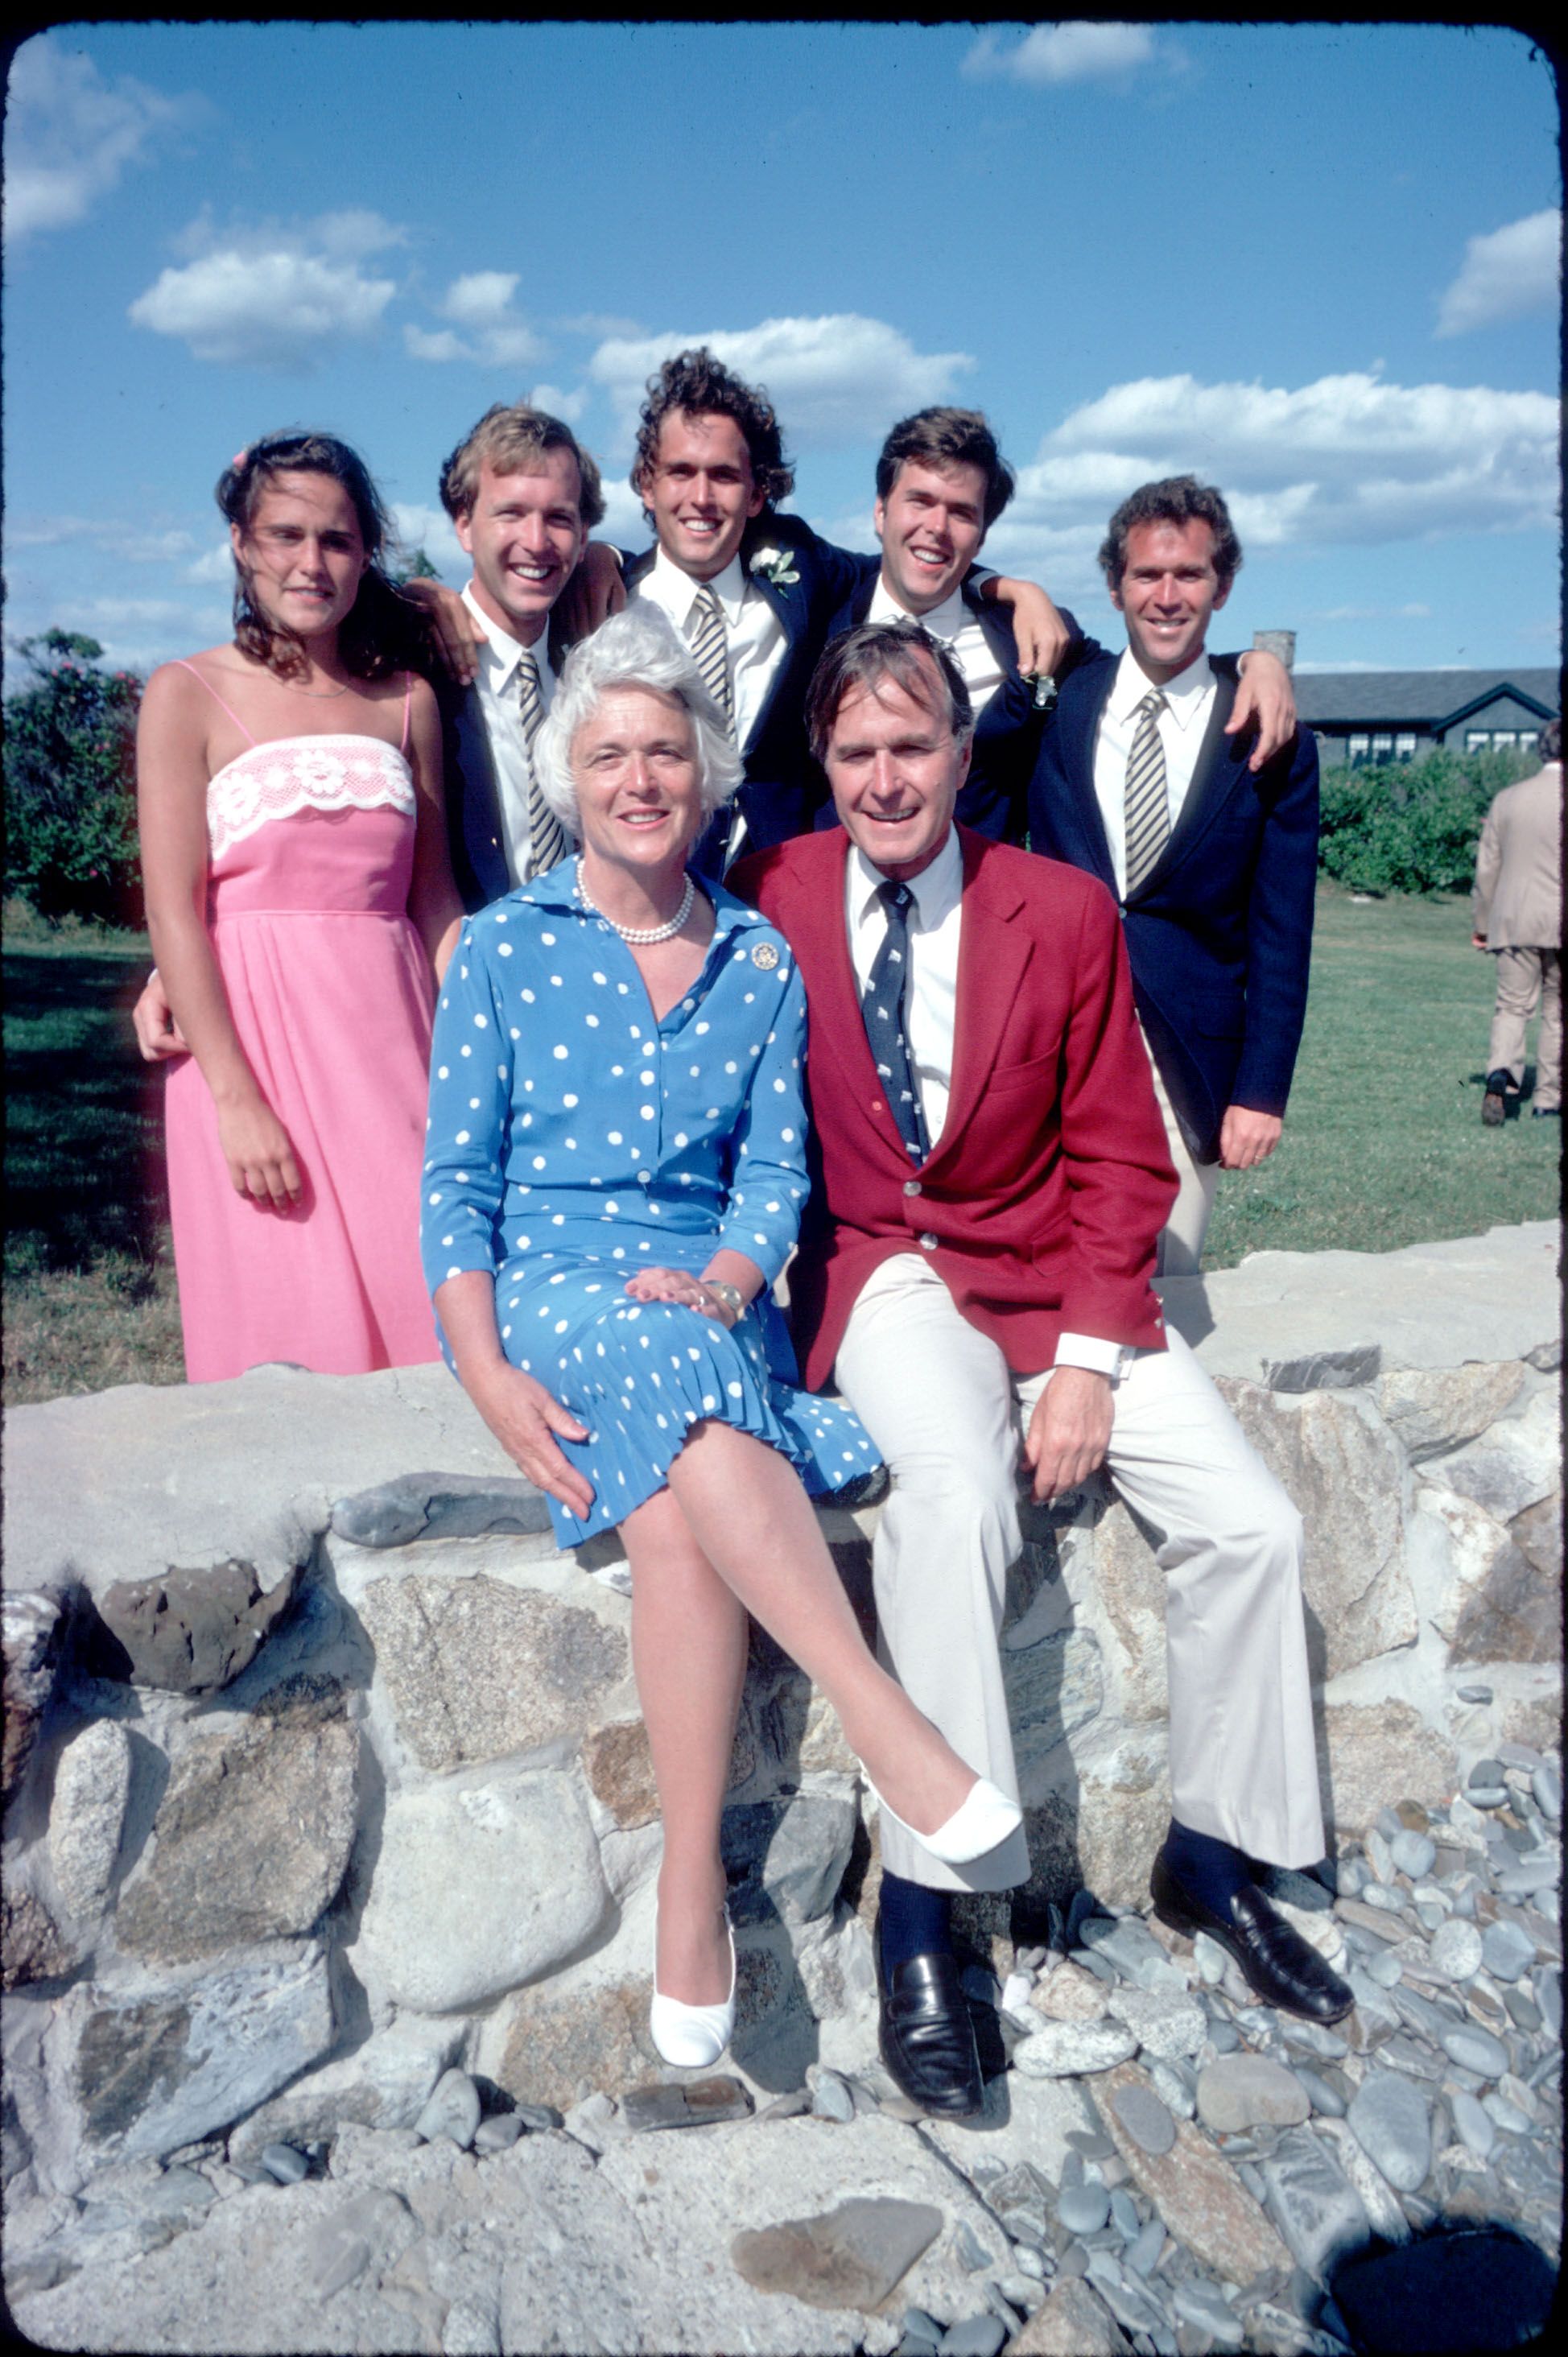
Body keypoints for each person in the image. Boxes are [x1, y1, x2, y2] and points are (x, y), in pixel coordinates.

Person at [734, 622, 1350, 2121]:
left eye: (913, 746)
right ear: (826, 763)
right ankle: (924, 1910)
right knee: (948, 1495)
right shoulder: (776, 891)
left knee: (1251, 1525)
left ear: (960, 752)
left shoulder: (1060, 908)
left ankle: (1211, 1849)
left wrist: (1083, 1361)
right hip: (887, 1266)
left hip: (1055, 1266)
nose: (886, 779)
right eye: (857, 751)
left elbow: (1122, 1151)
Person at [420, 606, 1021, 2070]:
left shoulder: (756, 956)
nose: (640, 778)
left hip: (707, 1299)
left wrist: (741, 1270)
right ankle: (887, 1723)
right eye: (610, 752)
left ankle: (689, 1885)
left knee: (682, 1514)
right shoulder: (501, 947)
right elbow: (455, 1189)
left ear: (705, 776)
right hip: (558, 1290)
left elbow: (774, 1174)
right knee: (679, 1376)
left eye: (666, 753)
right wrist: (487, 1370)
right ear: (572, 774)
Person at [136, 430, 464, 1381]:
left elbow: (434, 899)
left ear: (366, 554)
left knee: (429, 1301)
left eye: (336, 540)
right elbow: (175, 912)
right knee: (291, 1326)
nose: (309, 563)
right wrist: (237, 1101)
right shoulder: (186, 694)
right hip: (251, 1051)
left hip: (391, 1040)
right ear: (241, 543)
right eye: (284, 535)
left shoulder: (406, 701)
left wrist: (472, 1057)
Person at [1027, 477, 1319, 1274]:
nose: (1166, 596)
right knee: (1042, 1273)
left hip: (1184, 1057)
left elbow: (1281, 933)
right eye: (1146, 575)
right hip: (1053, 1043)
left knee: (1169, 1287)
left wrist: (1261, 1091)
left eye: (1188, 574)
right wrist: (1007, 583)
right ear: (1115, 584)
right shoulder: (1062, 702)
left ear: (1220, 587)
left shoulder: (1266, 734)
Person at [823, 409, 1298, 845]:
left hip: (980, 915)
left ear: (983, 534)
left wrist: (1252, 664)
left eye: (962, 512)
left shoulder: (1032, 637)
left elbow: (1141, 669)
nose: (937, 527)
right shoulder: (818, 612)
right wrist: (1009, 585)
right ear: (881, 511)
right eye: (919, 501)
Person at [1473, 716, 1562, 1125]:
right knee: (1557, 1011)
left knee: (1512, 1007)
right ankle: (1547, 1099)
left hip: (1514, 918)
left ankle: (1501, 1074)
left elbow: (1488, 867)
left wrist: (1483, 923)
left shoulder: (1508, 799)